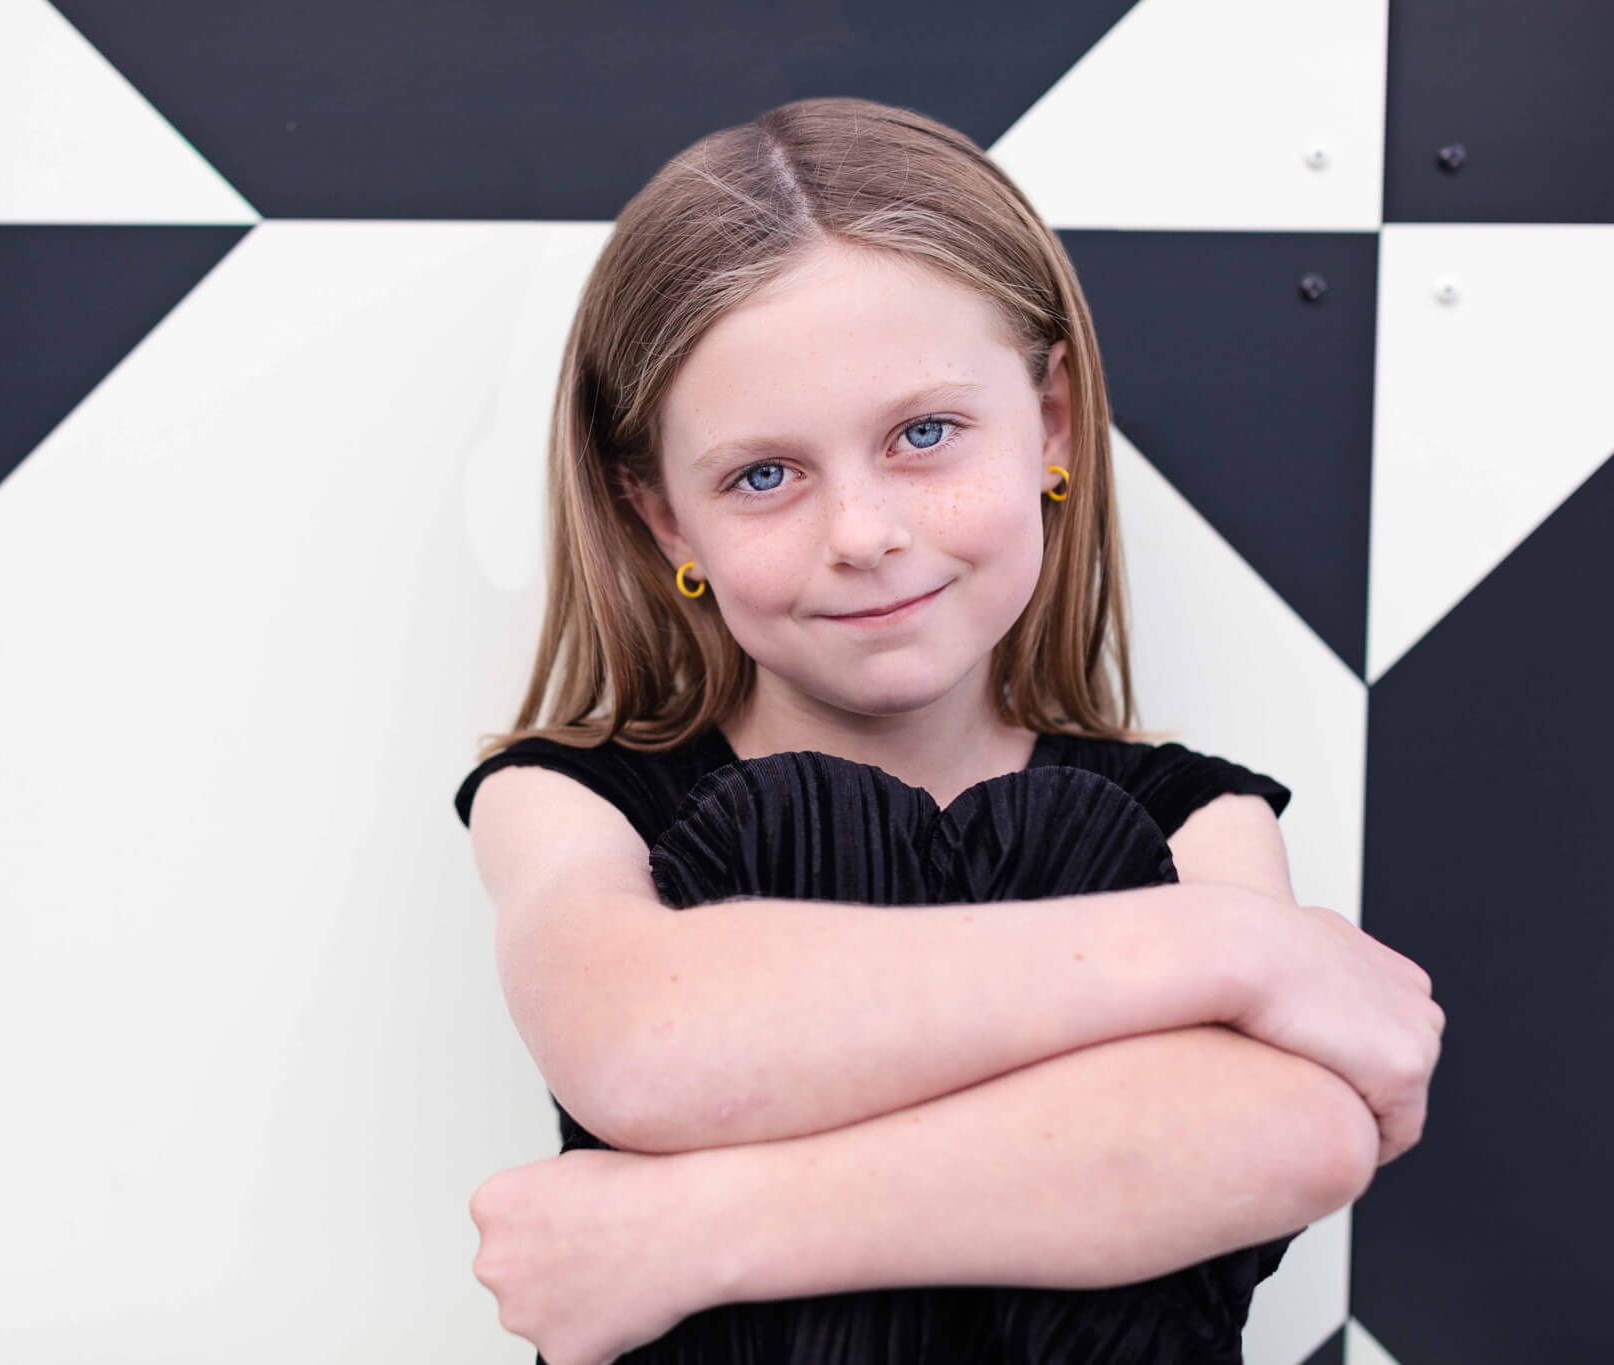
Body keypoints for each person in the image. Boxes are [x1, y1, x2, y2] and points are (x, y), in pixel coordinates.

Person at [453, 96, 1443, 1365]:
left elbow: (1282, 1136)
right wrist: (1226, 951)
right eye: (763, 475)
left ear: (1050, 424)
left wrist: (690, 1232)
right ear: (664, 524)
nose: (860, 532)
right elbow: (641, 1045)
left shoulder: (1190, 821)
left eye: (922, 434)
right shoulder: (567, 802)